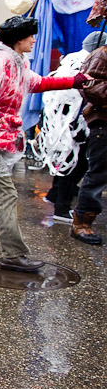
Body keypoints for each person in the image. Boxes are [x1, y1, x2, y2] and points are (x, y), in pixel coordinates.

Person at [0, 16, 91, 271]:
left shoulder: (16, 61)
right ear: (18, 39)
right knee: (5, 194)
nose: (34, 40)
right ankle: (14, 255)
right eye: (30, 36)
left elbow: (37, 83)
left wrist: (73, 81)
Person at [72, 30, 107, 244]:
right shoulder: (101, 54)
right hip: (103, 124)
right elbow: (88, 86)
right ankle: (81, 223)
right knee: (98, 174)